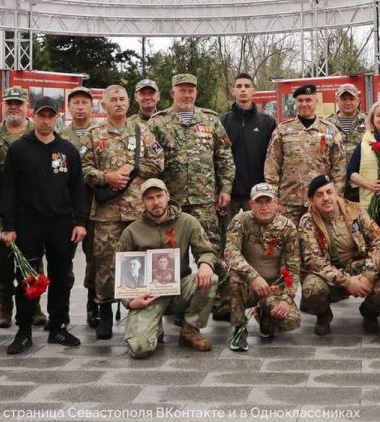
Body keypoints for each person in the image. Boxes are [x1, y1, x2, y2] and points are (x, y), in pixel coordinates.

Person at [0, 96, 87, 355]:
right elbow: (8, 189)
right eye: (41, 116)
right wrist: (8, 226)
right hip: (28, 224)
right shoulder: (19, 149)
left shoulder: (67, 150)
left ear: (56, 118)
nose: (46, 121)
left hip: (61, 224)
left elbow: (78, 189)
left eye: (51, 116)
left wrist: (80, 221)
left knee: (61, 277)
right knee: (27, 278)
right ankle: (24, 331)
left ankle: (58, 326)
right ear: (33, 116)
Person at [81, 85, 165, 339]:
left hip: (138, 211)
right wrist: (106, 176)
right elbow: (83, 169)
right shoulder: (93, 134)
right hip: (106, 213)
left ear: (129, 103)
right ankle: (105, 311)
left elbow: (159, 162)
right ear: (104, 105)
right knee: (105, 263)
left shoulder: (142, 131)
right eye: (113, 99)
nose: (119, 103)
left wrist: (133, 168)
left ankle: (146, 313)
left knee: (141, 262)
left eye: (122, 99)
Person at [117, 179, 217, 356]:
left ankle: (190, 329)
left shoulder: (188, 222)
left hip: (179, 289)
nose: (156, 202)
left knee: (211, 279)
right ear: (143, 201)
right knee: (140, 349)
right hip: (149, 296)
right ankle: (154, 328)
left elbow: (206, 251)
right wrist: (130, 301)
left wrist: (205, 264)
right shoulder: (132, 231)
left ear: (168, 196)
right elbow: (119, 271)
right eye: (150, 198)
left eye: (159, 196)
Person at [148, 73, 234, 258]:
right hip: (171, 201)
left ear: (196, 93)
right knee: (170, 254)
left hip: (204, 201)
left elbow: (224, 157)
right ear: (173, 93)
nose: (187, 95)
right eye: (182, 91)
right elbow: (149, 162)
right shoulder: (157, 122)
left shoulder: (210, 120)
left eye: (191, 91)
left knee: (210, 251)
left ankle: (210, 278)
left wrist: (225, 189)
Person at [298, 175, 380, 335]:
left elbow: (378, 242)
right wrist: (347, 281)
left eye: (329, 192)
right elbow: (314, 261)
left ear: (336, 193)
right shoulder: (307, 222)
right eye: (319, 195)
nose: (326, 198)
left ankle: (370, 312)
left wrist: (368, 276)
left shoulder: (355, 209)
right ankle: (324, 316)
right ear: (312, 200)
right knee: (311, 289)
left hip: (358, 267)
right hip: (329, 273)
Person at [225, 183, 301, 351]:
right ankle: (239, 329)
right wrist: (253, 277)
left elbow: (293, 268)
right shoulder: (240, 221)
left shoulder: (288, 227)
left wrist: (287, 299)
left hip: (273, 287)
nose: (264, 206)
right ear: (251, 204)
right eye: (259, 202)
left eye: (268, 201)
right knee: (234, 279)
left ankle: (265, 316)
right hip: (247, 284)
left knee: (291, 320)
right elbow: (231, 254)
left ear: (277, 203)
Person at [0, 86, 39, 329]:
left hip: (32, 209)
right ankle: (5, 307)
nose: (14, 107)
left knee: (33, 258)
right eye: (9, 103)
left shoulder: (38, 132)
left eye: (18, 103)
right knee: (3, 261)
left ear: (27, 106)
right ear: (3, 105)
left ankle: (34, 305)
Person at [264, 84, 346, 227]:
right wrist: (273, 198)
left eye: (308, 100)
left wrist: (336, 197)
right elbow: (272, 165)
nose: (304, 104)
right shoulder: (282, 130)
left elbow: (339, 166)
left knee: (320, 239)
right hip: (289, 201)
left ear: (316, 101)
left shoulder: (330, 130)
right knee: (288, 238)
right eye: (300, 100)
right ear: (295, 103)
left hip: (320, 200)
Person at [219, 73, 277, 251]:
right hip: (229, 194)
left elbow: (273, 158)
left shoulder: (267, 122)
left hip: (257, 194)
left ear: (253, 90)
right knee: (227, 238)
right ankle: (226, 267)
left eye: (247, 86)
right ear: (233, 91)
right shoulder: (222, 122)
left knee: (257, 241)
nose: (243, 89)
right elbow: (217, 157)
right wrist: (220, 188)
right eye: (239, 86)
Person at [59, 86, 99, 328]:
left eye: (85, 102)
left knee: (95, 259)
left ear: (92, 106)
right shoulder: (60, 137)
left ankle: (93, 305)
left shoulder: (101, 133)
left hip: (96, 206)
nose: (81, 107)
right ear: (69, 107)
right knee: (63, 260)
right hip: (68, 207)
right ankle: (60, 310)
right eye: (76, 103)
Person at [326, 83, 366, 200]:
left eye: (351, 99)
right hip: (336, 183)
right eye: (343, 99)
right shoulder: (327, 124)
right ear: (337, 100)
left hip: (361, 182)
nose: (348, 103)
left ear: (358, 100)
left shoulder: (369, 122)